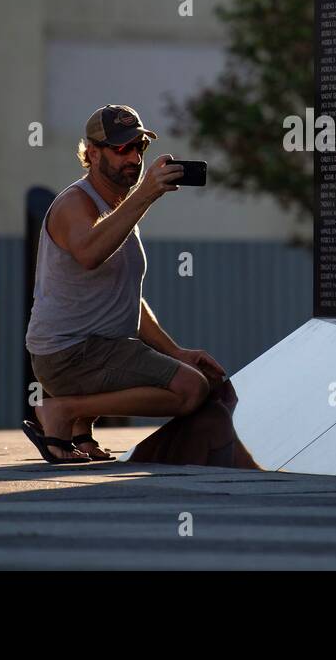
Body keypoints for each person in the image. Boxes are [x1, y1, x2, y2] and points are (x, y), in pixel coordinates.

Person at [22, 105, 228, 463]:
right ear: (91, 153)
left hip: (94, 348)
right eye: (121, 149)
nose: (133, 158)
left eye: (139, 148)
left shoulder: (116, 208)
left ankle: (80, 434)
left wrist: (175, 351)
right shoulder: (76, 202)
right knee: (191, 388)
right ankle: (62, 412)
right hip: (70, 353)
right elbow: (88, 253)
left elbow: (126, 300)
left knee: (174, 367)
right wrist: (145, 194)